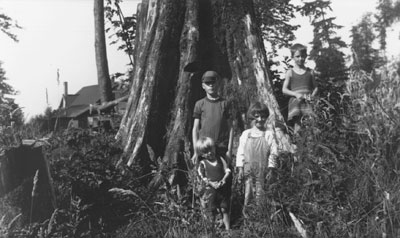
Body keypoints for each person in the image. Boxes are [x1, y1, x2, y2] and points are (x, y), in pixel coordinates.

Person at [236, 102, 278, 215]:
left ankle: (261, 218)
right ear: (252, 117)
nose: (260, 119)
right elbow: (240, 152)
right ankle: (248, 219)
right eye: (257, 116)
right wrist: (240, 168)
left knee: (261, 195)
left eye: (263, 116)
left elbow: (274, 153)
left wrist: (271, 169)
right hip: (248, 171)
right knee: (248, 195)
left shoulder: (268, 134)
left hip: (263, 171)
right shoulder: (246, 134)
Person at [192, 70, 233, 165]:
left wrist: (229, 150)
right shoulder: (199, 104)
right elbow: (195, 128)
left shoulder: (225, 104)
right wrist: (196, 150)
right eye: (207, 83)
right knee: (204, 175)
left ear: (218, 84)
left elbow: (231, 128)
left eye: (213, 82)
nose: (211, 85)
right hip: (204, 148)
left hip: (221, 148)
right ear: (203, 86)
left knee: (224, 174)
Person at [196, 136, 231, 231]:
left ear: (214, 148)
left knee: (224, 208)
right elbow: (202, 176)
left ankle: (228, 230)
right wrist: (211, 183)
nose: (209, 153)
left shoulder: (220, 159)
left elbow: (227, 170)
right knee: (211, 210)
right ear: (202, 154)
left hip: (222, 189)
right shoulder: (203, 163)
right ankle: (212, 230)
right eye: (206, 152)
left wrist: (224, 179)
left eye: (211, 149)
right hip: (211, 191)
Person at [282, 43, 318, 134]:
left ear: (306, 56)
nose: (300, 59)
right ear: (292, 57)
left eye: (302, 56)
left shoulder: (310, 72)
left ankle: (311, 145)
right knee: (298, 124)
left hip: (308, 101)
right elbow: (284, 90)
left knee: (311, 123)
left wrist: (312, 96)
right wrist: (295, 94)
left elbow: (316, 87)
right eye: (297, 56)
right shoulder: (290, 72)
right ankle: (298, 144)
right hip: (296, 101)